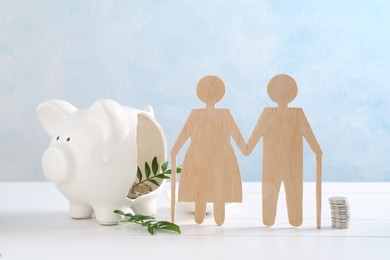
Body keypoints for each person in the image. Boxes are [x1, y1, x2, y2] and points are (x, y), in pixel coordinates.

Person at [247, 74, 322, 227]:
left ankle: (287, 220)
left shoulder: (280, 114)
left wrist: (245, 148)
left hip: (284, 163)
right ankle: (288, 220)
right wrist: (317, 151)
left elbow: (252, 141)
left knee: (285, 192)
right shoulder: (284, 114)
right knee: (285, 192)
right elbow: (311, 138)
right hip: (280, 163)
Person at [170, 75, 247, 226]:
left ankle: (203, 216)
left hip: (202, 156)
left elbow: (183, 136)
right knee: (215, 185)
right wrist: (246, 148)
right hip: (217, 156)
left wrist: (175, 150)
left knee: (203, 185)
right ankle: (213, 217)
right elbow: (238, 138)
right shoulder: (223, 114)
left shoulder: (197, 114)